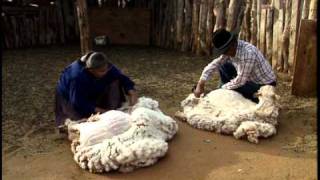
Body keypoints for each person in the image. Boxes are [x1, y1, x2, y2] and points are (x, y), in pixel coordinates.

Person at [55, 51, 137, 129]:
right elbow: (78, 102)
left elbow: (123, 79)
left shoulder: (105, 66)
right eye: (101, 71)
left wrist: (132, 93)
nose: (105, 72)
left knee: (115, 81)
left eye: (106, 69)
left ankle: (110, 107)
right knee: (80, 125)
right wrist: (104, 112)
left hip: (93, 88)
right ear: (91, 70)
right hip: (69, 96)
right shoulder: (77, 77)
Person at [193, 28, 276, 103]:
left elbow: (240, 81)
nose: (225, 54)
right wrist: (201, 84)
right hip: (248, 78)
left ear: (233, 44)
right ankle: (225, 91)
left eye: (226, 51)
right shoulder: (230, 50)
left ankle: (227, 92)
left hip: (263, 85)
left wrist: (218, 91)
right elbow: (214, 64)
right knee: (223, 65)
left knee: (228, 87)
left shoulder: (248, 54)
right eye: (223, 52)